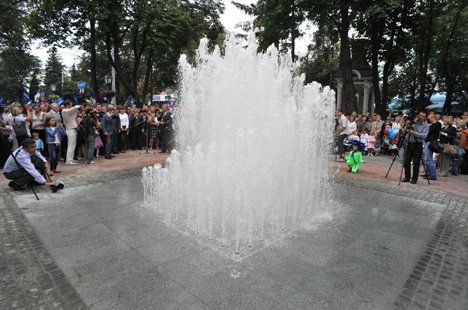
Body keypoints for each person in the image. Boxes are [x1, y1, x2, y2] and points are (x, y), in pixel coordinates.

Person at [402, 112, 429, 184]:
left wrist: (414, 133)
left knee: (416, 163)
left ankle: (414, 179)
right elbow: (404, 130)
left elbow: (424, 136)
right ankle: (407, 177)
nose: (421, 117)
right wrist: (407, 125)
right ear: (418, 115)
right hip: (409, 143)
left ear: (425, 117)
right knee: (406, 162)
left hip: (418, 145)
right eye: (420, 115)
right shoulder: (413, 122)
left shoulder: (426, 125)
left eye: (423, 116)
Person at [61, 100, 81, 165]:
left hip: (73, 129)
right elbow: (72, 109)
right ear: (67, 105)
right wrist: (77, 106)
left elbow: (72, 111)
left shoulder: (69, 111)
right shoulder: (64, 111)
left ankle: (71, 159)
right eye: (71, 104)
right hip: (70, 129)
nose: (72, 105)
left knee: (73, 145)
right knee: (70, 145)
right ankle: (68, 161)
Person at [423, 114, 441, 180]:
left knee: (429, 159)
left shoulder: (437, 124)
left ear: (432, 118)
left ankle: (433, 175)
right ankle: (428, 173)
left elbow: (431, 133)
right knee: (427, 159)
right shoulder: (432, 125)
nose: (429, 120)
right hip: (428, 142)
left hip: (431, 142)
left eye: (429, 118)